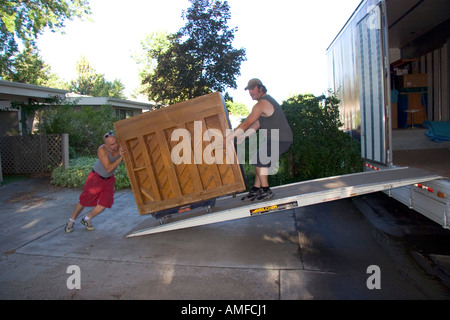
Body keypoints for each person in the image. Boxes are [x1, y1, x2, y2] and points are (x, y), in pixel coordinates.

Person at [225, 78, 293, 201]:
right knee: (260, 161)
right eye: (248, 89)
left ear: (260, 88)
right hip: (277, 139)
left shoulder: (262, 103)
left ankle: (266, 190)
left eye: (252, 88)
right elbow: (257, 123)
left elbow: (246, 123)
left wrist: (228, 138)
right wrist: (243, 137)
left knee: (259, 160)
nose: (250, 92)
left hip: (281, 139)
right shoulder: (264, 103)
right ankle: (256, 188)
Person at [65, 132, 125, 233]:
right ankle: (71, 221)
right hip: (96, 178)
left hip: (109, 180)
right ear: (106, 145)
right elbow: (109, 168)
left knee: (104, 203)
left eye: (116, 142)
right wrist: (121, 157)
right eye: (112, 144)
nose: (116, 145)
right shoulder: (102, 150)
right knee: (84, 201)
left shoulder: (120, 147)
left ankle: (87, 219)